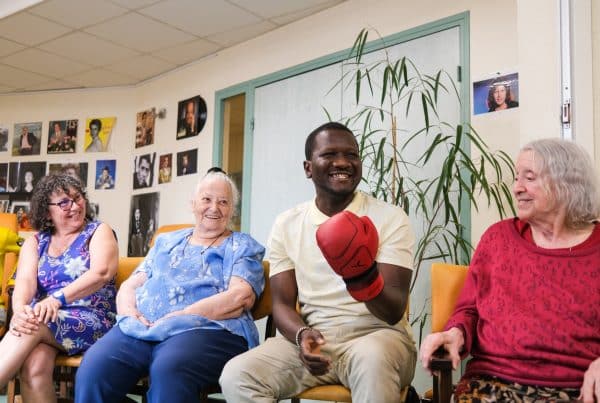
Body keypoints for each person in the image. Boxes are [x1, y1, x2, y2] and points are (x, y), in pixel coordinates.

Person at [220, 122, 416, 402]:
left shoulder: (390, 217)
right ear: (308, 167)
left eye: (351, 155)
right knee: (238, 375)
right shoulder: (287, 224)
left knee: (372, 359)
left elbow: (394, 310)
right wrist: (302, 336)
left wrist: (360, 275)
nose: (342, 162)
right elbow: (282, 304)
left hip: (378, 336)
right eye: (330, 154)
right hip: (317, 339)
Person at [420, 138, 600, 403]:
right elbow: (469, 310)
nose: (517, 188)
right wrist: (454, 333)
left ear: (567, 184)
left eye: (530, 178)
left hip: (579, 388)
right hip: (492, 383)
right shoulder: (498, 239)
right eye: (517, 178)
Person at [75, 170, 266, 403]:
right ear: (193, 204)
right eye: (206, 199)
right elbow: (132, 284)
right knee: (95, 367)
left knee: (169, 368)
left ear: (232, 209)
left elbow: (241, 297)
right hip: (143, 327)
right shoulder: (167, 241)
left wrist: (184, 315)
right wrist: (129, 312)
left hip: (207, 329)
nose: (214, 208)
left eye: (223, 202)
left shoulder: (242, 246)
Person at [0, 173, 118, 401]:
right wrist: (20, 309)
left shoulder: (97, 231)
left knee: (32, 323)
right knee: (34, 369)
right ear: (47, 211)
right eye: (64, 202)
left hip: (91, 318)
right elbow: (25, 281)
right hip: (45, 319)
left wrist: (57, 299)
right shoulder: (36, 242)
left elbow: (102, 272)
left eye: (78, 198)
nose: (74, 206)